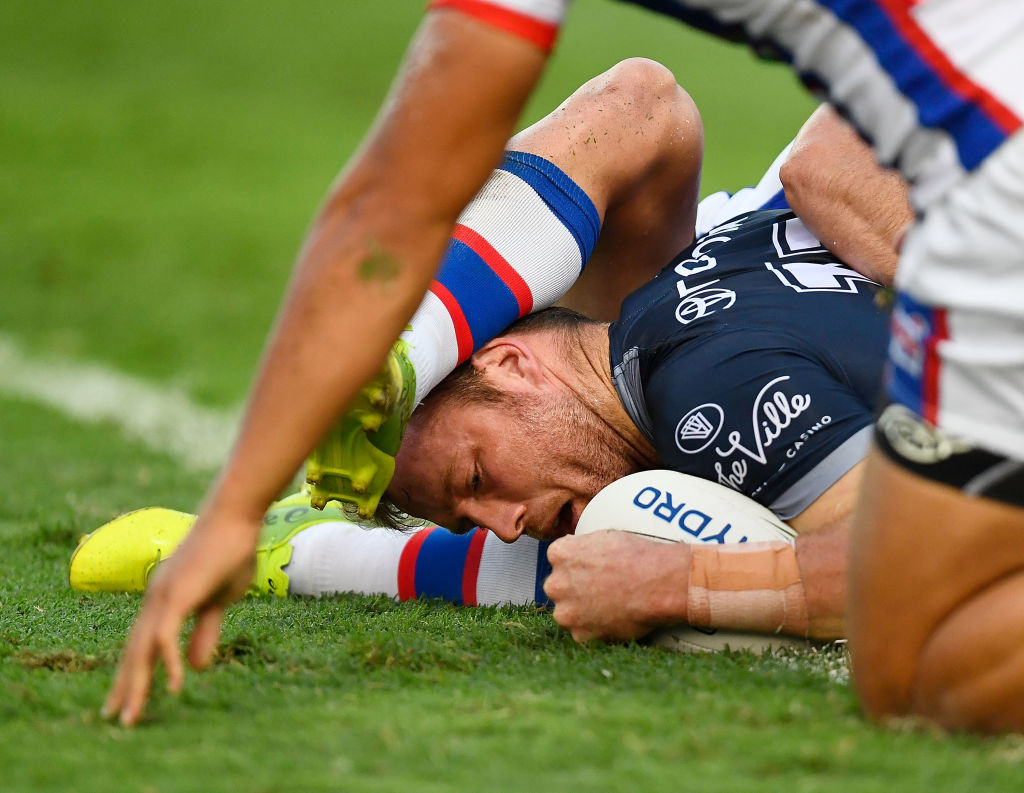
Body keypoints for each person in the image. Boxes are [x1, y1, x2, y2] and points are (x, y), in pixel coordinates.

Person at [106, 1, 1024, 734]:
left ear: (510, 361)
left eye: (475, 480)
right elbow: (644, 106)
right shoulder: (673, 317)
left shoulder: (710, 389)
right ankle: (322, 531)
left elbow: (891, 583)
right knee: (612, 518)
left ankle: (340, 508)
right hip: (879, 191)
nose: (502, 522)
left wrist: (678, 584)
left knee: (912, 659)